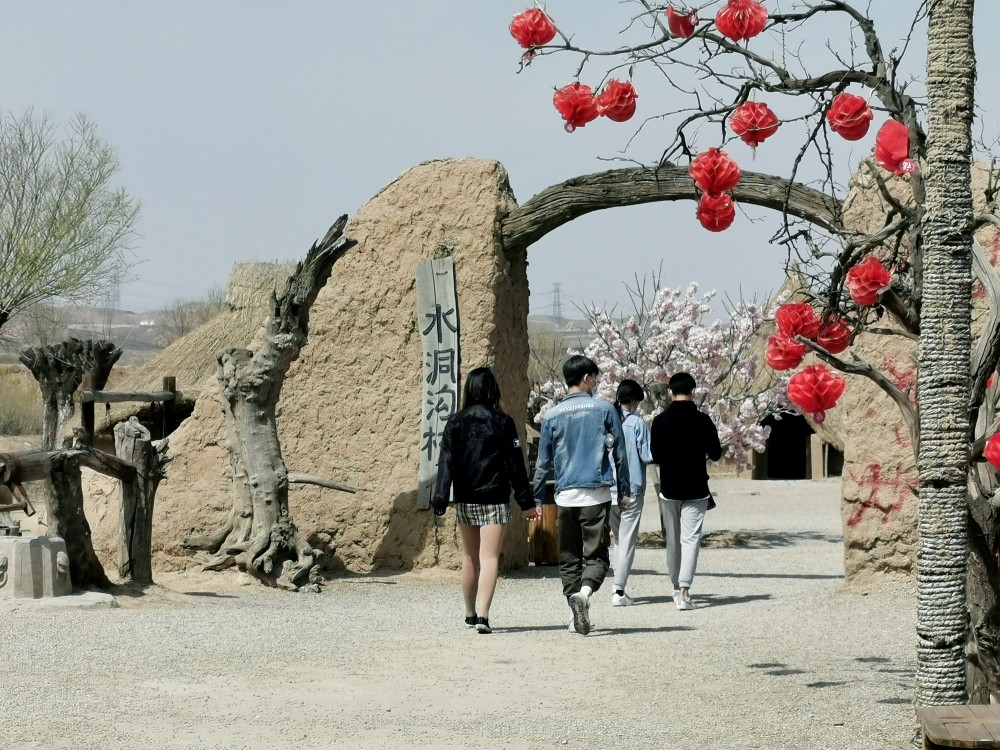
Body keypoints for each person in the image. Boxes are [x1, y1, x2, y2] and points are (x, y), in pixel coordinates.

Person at [433, 367, 541, 634]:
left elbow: (446, 462)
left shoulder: (455, 422)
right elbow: (516, 465)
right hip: (494, 498)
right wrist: (526, 502)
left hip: (466, 498)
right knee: (490, 557)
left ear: (469, 389)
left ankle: (469, 614)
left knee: (470, 557)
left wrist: (440, 498)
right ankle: (483, 616)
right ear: (494, 390)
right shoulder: (503, 422)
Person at [531, 354, 631, 635]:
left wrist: (537, 499)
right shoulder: (604, 410)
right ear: (586, 378)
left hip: (564, 497)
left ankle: (574, 613)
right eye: (595, 378)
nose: (597, 382)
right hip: (596, 494)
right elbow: (620, 454)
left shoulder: (551, 416)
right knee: (597, 556)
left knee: (569, 557)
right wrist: (624, 491)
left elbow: (543, 463)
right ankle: (584, 596)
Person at [649, 371, 722, 611]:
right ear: (692, 392)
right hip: (696, 487)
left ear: (670, 392)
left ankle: (673, 587)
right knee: (691, 540)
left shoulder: (659, 421)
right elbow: (716, 454)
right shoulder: (703, 420)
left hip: (669, 487)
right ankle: (685, 590)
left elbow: (656, 457)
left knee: (673, 540)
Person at [609, 379, 653, 607]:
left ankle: (617, 585)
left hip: (608, 489)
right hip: (631, 489)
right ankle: (619, 590)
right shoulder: (637, 423)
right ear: (635, 401)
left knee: (617, 539)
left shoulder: (608, 420)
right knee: (626, 540)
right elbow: (647, 456)